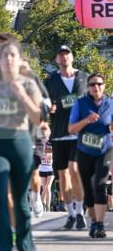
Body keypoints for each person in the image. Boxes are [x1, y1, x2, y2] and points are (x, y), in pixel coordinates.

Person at [0, 40, 44, 251]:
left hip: (20, 143)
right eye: (4, 56)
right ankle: (1, 250)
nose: (8, 59)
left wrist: (22, 96)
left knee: (20, 199)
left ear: (19, 59)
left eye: (12, 55)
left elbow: (38, 117)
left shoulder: (28, 84)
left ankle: (25, 249)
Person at [43, 45, 88, 231]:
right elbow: (44, 102)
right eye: (61, 54)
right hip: (60, 133)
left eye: (67, 53)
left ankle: (80, 212)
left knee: (74, 170)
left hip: (79, 134)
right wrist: (49, 108)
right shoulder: (51, 81)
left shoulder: (84, 78)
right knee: (62, 175)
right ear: (56, 60)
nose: (64, 57)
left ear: (72, 56)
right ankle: (70, 213)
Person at [68, 74, 113, 238]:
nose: (96, 87)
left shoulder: (111, 104)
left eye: (99, 84)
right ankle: (94, 221)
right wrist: (86, 120)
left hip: (105, 150)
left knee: (100, 184)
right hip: (85, 150)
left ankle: (100, 224)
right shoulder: (80, 104)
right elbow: (71, 129)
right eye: (92, 84)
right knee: (88, 188)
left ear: (104, 86)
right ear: (88, 87)